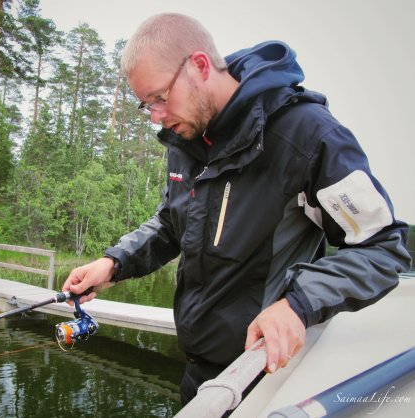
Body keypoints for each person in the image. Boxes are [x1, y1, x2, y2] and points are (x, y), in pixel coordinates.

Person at [62, 13, 412, 408]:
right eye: (147, 106)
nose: (156, 117)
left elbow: (383, 248)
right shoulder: (186, 138)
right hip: (198, 375)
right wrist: (114, 263)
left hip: (266, 376)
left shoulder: (307, 136)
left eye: (160, 98)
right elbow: (170, 224)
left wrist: (298, 303)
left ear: (199, 65)